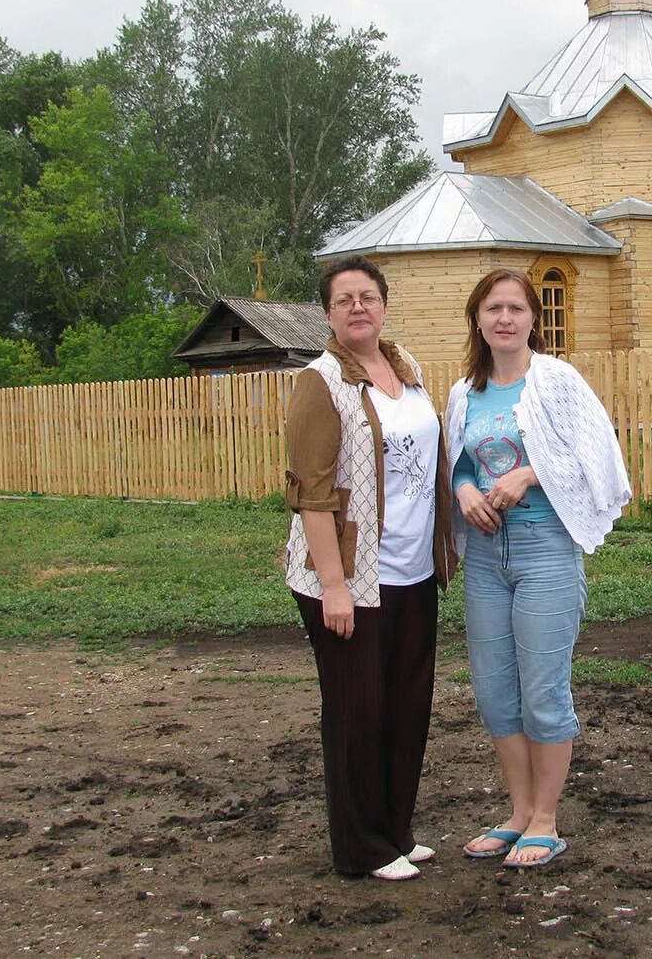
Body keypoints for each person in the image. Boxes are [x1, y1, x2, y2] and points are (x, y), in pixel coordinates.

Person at [445, 269, 631, 868]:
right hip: (486, 562)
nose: (505, 318)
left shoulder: (557, 383)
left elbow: (598, 458)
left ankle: (547, 819)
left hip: (546, 550)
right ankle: (519, 812)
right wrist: (465, 488)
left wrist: (531, 474)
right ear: (477, 318)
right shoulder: (463, 393)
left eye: (516, 308)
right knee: (497, 692)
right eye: (494, 308)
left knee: (543, 690)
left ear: (533, 318)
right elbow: (457, 462)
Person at [284, 254, 456, 882]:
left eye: (368, 296)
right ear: (328, 314)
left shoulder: (406, 370)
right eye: (343, 299)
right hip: (351, 580)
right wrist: (334, 587)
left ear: (383, 304)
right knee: (358, 710)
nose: (358, 307)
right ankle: (361, 847)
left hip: (411, 574)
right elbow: (311, 492)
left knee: (407, 704)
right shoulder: (321, 382)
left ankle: (396, 831)